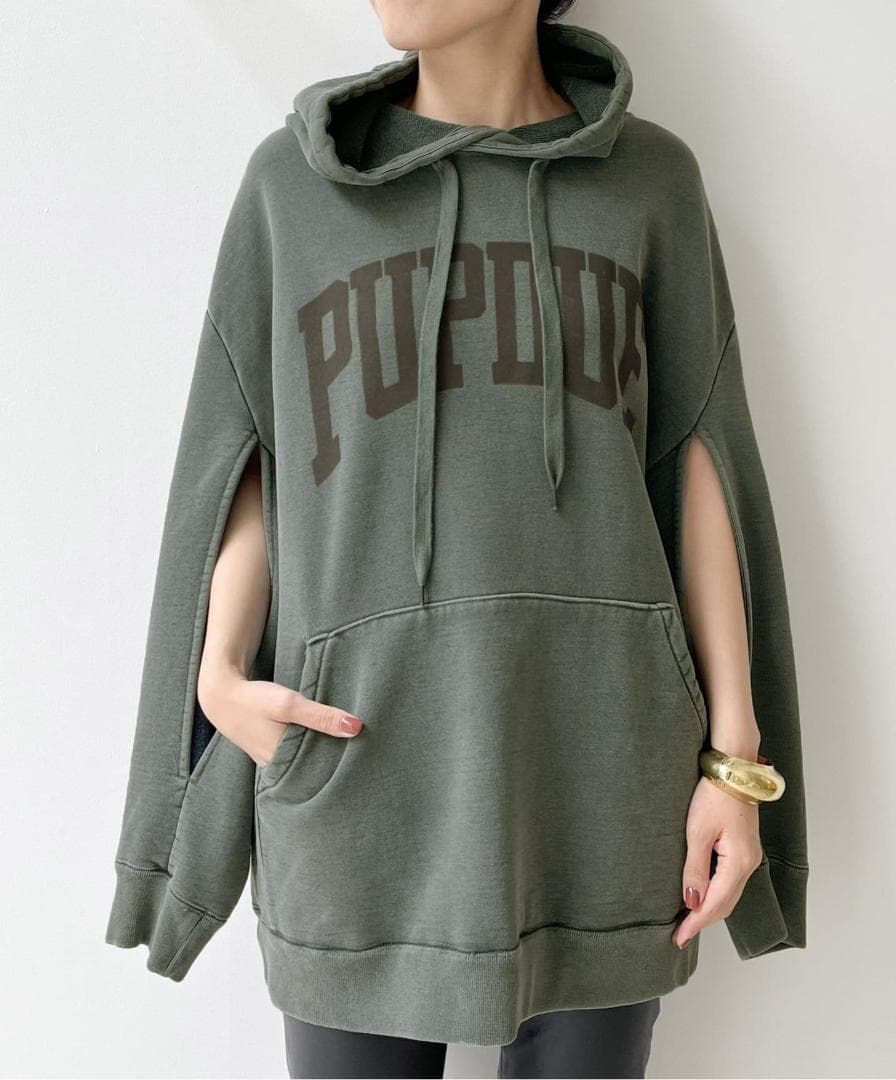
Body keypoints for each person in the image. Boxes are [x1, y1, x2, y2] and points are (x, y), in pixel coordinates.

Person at [104, 2, 810, 1078]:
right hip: (356, 776)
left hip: (605, 782)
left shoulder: (650, 182)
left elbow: (701, 464)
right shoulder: (293, 189)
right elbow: (249, 453)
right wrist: (218, 677)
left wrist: (736, 760)